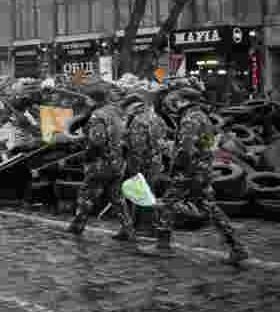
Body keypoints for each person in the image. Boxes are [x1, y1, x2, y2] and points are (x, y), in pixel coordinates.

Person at [141, 88, 249, 264]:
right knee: (209, 207)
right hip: (202, 169)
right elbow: (205, 143)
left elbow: (185, 150)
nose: (173, 102)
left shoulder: (189, 119)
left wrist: (173, 162)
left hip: (189, 171)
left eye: (176, 99)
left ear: (183, 100)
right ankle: (237, 247)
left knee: (167, 203)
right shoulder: (203, 117)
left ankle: (162, 246)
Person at [69, 84, 133, 239]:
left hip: (101, 163)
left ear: (92, 99)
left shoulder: (98, 115)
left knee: (86, 194)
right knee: (116, 196)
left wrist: (86, 156)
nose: (86, 101)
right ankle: (127, 227)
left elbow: (97, 141)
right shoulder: (118, 112)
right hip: (118, 161)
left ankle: (78, 225)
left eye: (87, 98)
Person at [121, 91, 171, 233]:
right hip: (155, 161)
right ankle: (149, 225)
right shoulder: (158, 119)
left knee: (140, 193)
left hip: (141, 162)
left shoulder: (138, 121)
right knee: (149, 191)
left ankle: (145, 226)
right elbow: (162, 141)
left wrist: (125, 144)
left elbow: (138, 146)